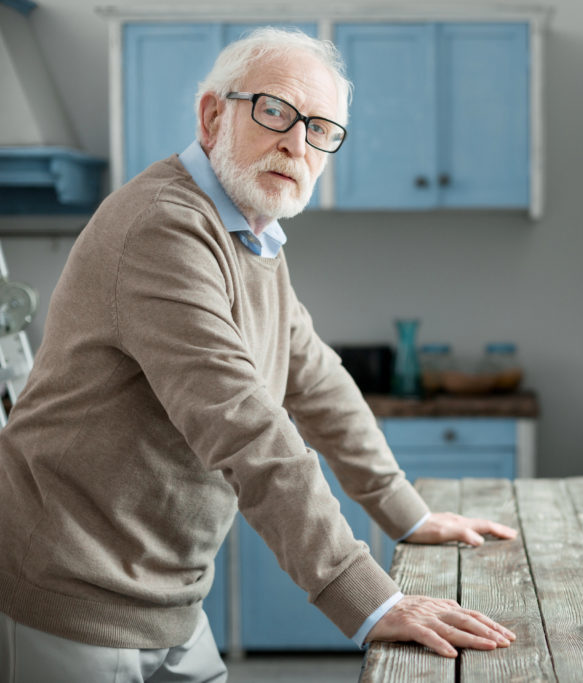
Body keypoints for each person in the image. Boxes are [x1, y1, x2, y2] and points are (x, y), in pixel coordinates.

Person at [0, 27, 516, 682]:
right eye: (276, 111)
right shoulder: (164, 225)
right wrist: (369, 597)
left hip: (170, 598)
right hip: (66, 600)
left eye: (321, 129)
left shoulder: (252, 235)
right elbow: (244, 423)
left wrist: (406, 511)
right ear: (213, 114)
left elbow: (315, 377)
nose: (296, 143)